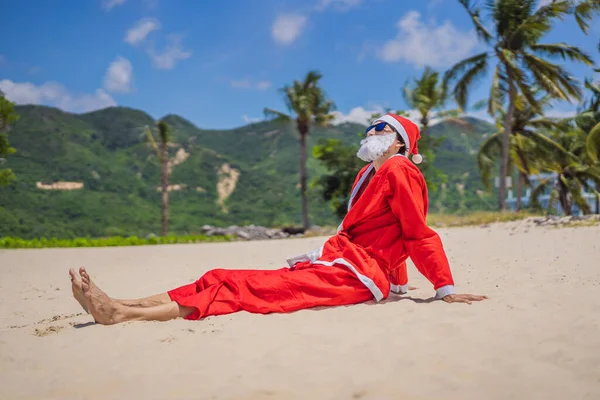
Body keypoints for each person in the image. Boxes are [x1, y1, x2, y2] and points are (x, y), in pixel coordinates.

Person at [69, 113, 488, 325]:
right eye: (373, 126)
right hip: (344, 264)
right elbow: (386, 232)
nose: (373, 132)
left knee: (243, 289)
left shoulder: (400, 170)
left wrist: (444, 288)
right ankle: (123, 302)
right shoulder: (369, 173)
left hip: (353, 275)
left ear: (400, 142)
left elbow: (415, 232)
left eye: (383, 129)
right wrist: (398, 283)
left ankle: (123, 316)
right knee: (219, 272)